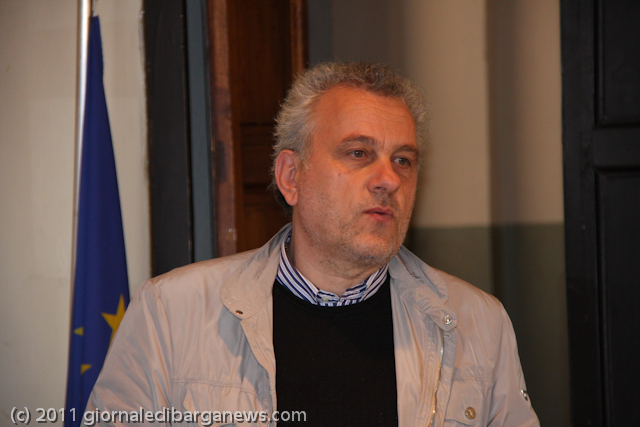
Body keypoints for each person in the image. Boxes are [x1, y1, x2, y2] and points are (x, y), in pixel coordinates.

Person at [86, 62, 539, 427]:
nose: (388, 179)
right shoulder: (170, 313)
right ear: (291, 177)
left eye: (403, 160)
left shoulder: (477, 323)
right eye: (358, 153)